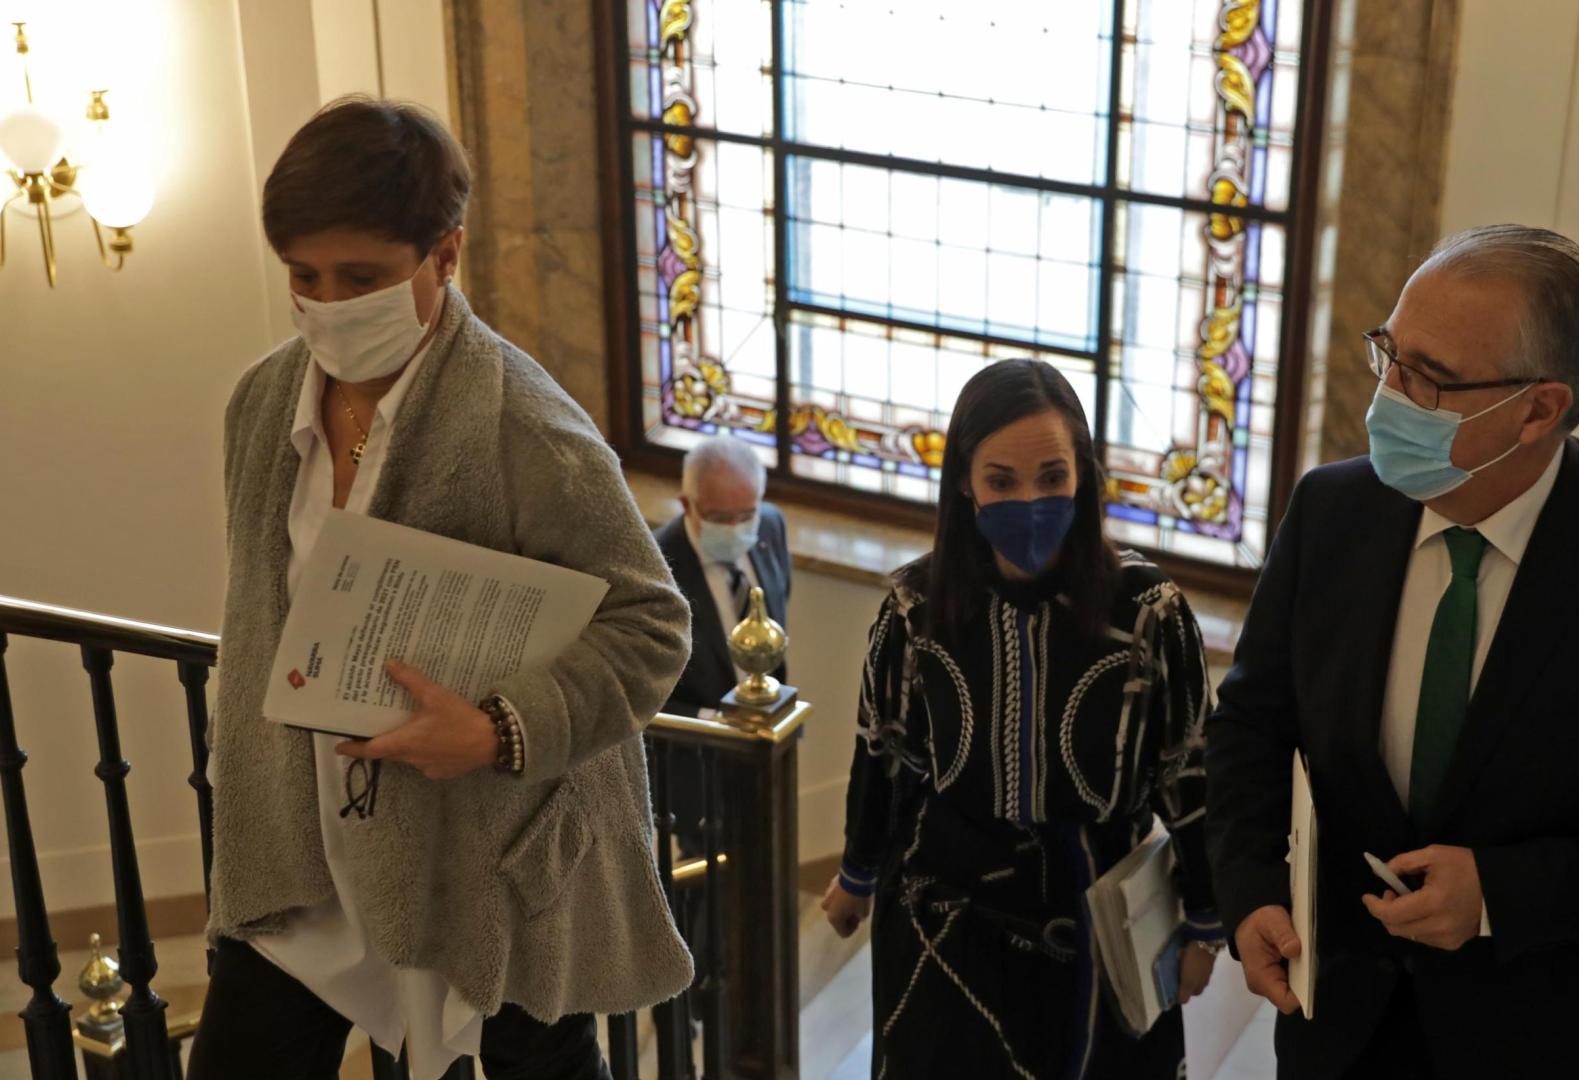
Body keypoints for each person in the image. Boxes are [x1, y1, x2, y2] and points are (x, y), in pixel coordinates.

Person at [1204, 224, 1579, 1079]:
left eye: (1429, 379)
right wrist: (1250, 887)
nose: (1389, 398)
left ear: (1539, 409)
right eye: (1389, 355)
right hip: (1344, 1022)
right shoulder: (1333, 513)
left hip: (1554, 1037)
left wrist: (1503, 896)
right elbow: (1252, 723)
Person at [188, 97, 694, 1080]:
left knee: (535, 1064)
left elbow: (650, 626)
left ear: (446, 254)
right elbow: (259, 616)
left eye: (363, 278)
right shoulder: (258, 404)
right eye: (305, 277)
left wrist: (501, 729)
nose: (328, 305)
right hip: (299, 853)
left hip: (480, 859)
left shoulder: (524, 427)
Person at [822, 359, 1223, 1079]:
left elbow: (1190, 771)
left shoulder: (1150, 612)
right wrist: (857, 874)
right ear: (965, 485)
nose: (1029, 501)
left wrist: (1204, 923)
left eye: (1052, 478)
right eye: (1001, 481)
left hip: (1104, 920)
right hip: (945, 922)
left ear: (1084, 478)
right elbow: (885, 756)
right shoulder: (915, 609)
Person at [653, 435, 791, 861]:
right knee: (706, 883)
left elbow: (777, 613)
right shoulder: (655, 565)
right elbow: (642, 692)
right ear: (687, 503)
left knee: (770, 854)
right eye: (719, 517)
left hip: (766, 749)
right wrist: (716, 724)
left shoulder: (769, 525)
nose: (736, 529)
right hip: (696, 766)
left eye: (744, 514)